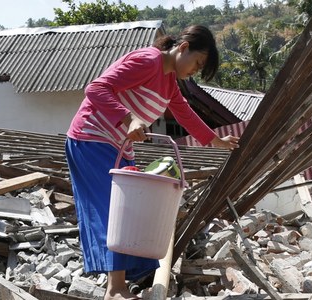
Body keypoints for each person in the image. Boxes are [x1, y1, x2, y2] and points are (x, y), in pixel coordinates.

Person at [65, 24, 239, 300]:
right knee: (113, 212)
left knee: (128, 213)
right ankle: (116, 290)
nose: (195, 69)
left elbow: (186, 115)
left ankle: (120, 283)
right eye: (197, 62)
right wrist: (129, 118)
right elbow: (96, 88)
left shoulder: (170, 83)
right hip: (91, 139)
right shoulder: (148, 61)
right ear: (183, 48)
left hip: (119, 146)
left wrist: (216, 141)